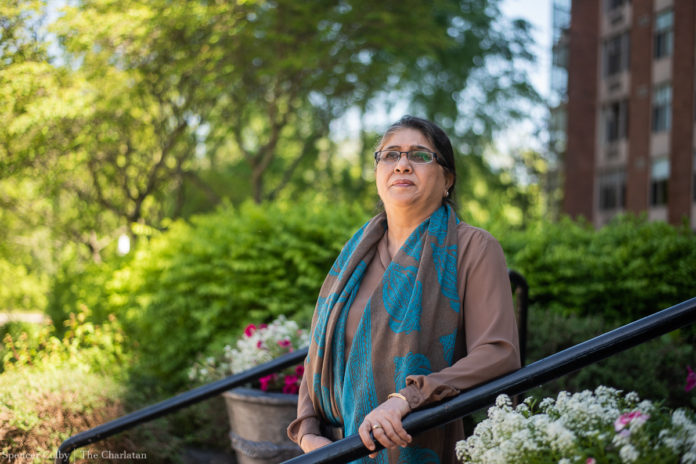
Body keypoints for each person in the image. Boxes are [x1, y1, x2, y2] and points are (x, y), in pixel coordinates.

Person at [287, 115, 520, 463]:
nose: (402, 165)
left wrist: (407, 399)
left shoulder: (473, 248)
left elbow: (499, 353)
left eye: (420, 156)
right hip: (333, 452)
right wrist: (307, 433)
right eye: (390, 155)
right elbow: (322, 354)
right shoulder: (355, 256)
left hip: (416, 444)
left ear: (448, 180)